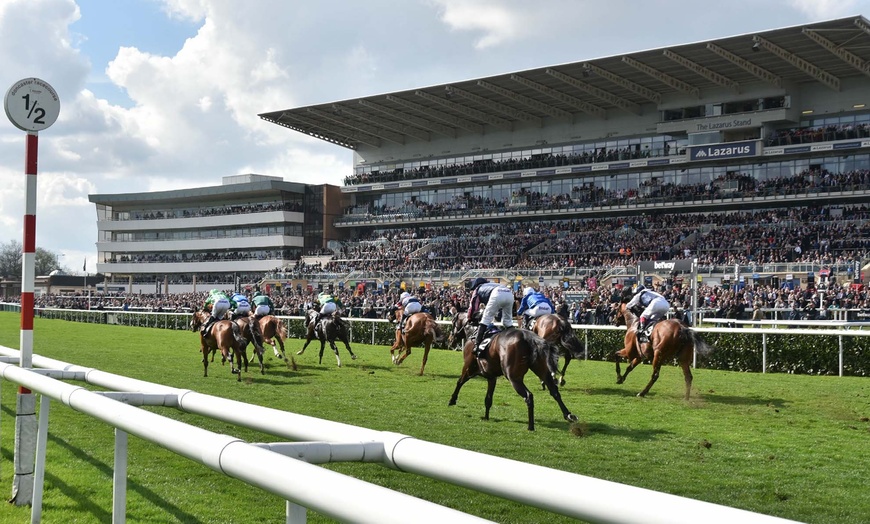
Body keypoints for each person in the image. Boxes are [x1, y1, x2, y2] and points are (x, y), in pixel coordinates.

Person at [467, 277, 515, 357]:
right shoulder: (491, 285)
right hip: (509, 293)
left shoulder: (478, 289)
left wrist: (470, 317)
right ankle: (514, 339)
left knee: (485, 320)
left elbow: (473, 307)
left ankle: (476, 345)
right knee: (507, 322)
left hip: (497, 294)